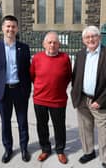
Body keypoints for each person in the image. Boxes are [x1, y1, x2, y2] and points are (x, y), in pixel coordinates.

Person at [0, 15, 31, 163]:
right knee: (5, 122)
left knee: (22, 121)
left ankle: (24, 148)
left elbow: (27, 71)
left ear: (17, 28)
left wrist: (28, 90)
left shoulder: (24, 48)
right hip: (3, 91)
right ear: (2, 28)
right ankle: (8, 149)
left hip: (20, 90)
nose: (10, 29)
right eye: (8, 26)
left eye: (13, 26)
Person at [30, 32, 72, 164]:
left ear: (59, 44)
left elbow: (68, 76)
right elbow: (32, 76)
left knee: (59, 126)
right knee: (42, 126)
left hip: (58, 100)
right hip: (40, 99)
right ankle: (45, 149)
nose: (52, 45)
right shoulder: (37, 58)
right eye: (49, 42)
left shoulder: (65, 58)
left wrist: (58, 88)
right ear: (44, 44)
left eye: (55, 42)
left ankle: (60, 150)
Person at [71, 25, 106, 168]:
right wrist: (76, 94)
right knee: (85, 128)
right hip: (82, 98)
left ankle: (104, 158)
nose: (90, 39)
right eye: (87, 37)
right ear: (83, 40)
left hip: (100, 100)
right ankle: (89, 152)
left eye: (94, 36)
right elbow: (75, 76)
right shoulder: (80, 55)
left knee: (104, 131)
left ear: (100, 37)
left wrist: (101, 100)